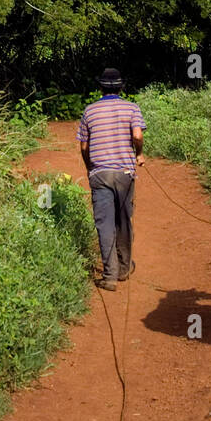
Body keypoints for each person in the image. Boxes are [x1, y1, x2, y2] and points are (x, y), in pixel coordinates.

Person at [76, 68, 145, 291]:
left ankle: (110, 276)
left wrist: (90, 168)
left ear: (101, 88)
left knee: (104, 224)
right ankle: (124, 268)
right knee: (124, 220)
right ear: (121, 87)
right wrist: (139, 154)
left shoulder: (90, 111)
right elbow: (137, 135)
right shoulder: (132, 108)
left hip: (100, 174)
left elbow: (84, 146)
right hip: (125, 174)